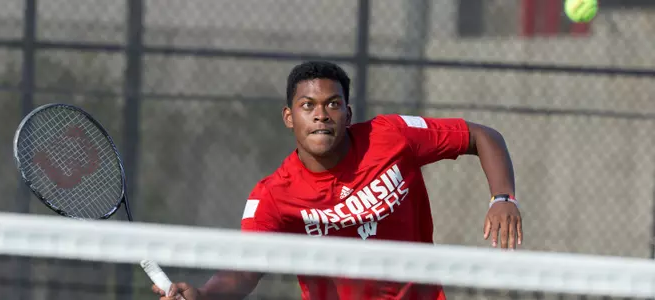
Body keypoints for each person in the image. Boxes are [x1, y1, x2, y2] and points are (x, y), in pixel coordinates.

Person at [152, 61, 522, 300]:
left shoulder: (391, 136)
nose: (321, 115)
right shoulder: (274, 196)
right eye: (307, 105)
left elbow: (481, 136)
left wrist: (503, 197)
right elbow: (245, 269)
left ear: (348, 113)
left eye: (332, 104)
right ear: (288, 116)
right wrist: (203, 295)